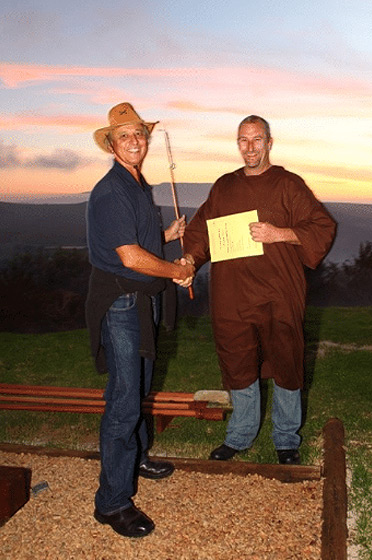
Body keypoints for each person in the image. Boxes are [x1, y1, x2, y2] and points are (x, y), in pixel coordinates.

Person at [183, 115, 336, 465]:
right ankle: (239, 436)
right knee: (238, 362)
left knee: (286, 361)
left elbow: (322, 226)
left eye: (256, 139)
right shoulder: (224, 186)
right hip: (232, 293)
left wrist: (279, 233)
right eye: (243, 140)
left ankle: (286, 439)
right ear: (237, 143)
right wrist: (190, 259)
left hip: (278, 291)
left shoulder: (289, 184)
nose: (249, 147)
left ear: (269, 142)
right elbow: (201, 232)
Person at [85, 102, 194, 538]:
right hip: (121, 304)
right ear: (112, 144)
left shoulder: (137, 184)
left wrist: (166, 236)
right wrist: (176, 271)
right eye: (124, 136)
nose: (134, 141)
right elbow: (129, 257)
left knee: (141, 388)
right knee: (124, 401)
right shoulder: (111, 191)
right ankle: (111, 502)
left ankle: (136, 458)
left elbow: (138, 239)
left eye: (139, 134)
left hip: (141, 302)